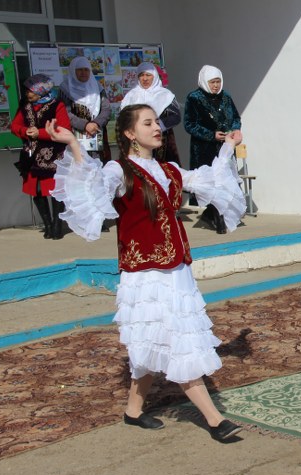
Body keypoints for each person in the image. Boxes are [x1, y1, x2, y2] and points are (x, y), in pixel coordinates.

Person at [46, 103, 246, 441]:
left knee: (153, 344)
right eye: (148, 123)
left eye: (157, 123)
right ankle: (215, 420)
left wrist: (228, 146)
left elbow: (208, 179)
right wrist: (74, 144)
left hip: (176, 270)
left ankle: (133, 411)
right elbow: (92, 186)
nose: (157, 128)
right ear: (129, 133)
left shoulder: (168, 170)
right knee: (178, 342)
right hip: (145, 274)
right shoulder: (118, 170)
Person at [10, 74, 72, 240]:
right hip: (30, 154)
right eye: (27, 91)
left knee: (54, 189)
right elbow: (14, 125)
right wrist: (25, 131)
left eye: (31, 91)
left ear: (41, 90)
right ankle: (48, 224)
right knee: (36, 189)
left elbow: (64, 129)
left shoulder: (57, 105)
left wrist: (41, 133)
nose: (28, 94)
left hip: (52, 154)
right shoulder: (25, 105)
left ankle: (57, 225)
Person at [184, 65, 242, 234]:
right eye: (212, 82)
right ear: (204, 81)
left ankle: (215, 215)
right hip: (204, 149)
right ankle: (216, 216)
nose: (216, 85)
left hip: (225, 147)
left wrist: (234, 130)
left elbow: (236, 117)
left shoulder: (226, 96)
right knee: (211, 182)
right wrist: (211, 135)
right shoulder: (194, 98)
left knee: (224, 181)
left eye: (218, 81)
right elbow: (189, 124)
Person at [121, 62, 181, 165]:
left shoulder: (165, 94)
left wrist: (156, 126)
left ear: (155, 76)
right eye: (141, 75)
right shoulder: (131, 96)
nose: (145, 78)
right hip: (137, 140)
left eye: (148, 75)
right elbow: (124, 118)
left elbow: (176, 117)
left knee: (163, 169)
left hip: (161, 140)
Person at [59, 56, 112, 164]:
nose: (83, 73)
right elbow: (64, 112)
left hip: (96, 134)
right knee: (78, 167)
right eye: (79, 70)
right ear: (73, 71)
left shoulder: (97, 87)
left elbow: (106, 109)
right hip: (74, 135)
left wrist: (96, 124)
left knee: (99, 166)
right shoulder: (65, 88)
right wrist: (85, 125)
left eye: (86, 70)